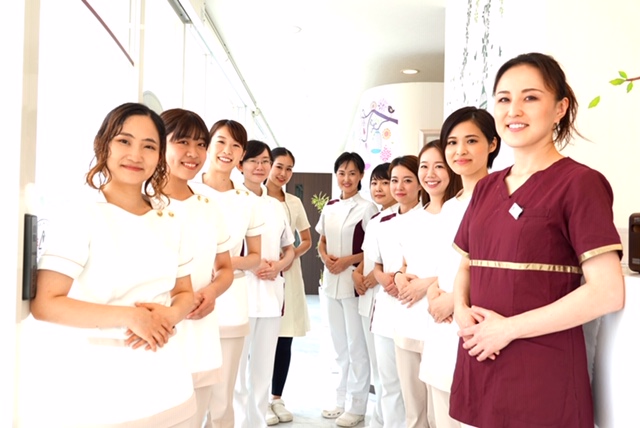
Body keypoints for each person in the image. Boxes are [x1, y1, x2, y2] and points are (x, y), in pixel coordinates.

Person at [449, 52, 625, 427]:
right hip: (480, 357)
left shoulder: (580, 184)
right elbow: (466, 264)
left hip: (541, 372)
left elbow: (607, 291)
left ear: (560, 108)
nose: (514, 110)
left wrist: (508, 329)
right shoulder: (486, 188)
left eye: (530, 97)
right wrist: (461, 309)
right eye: (504, 98)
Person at [26, 102, 196, 427]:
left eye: (149, 146)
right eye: (124, 141)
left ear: (159, 156)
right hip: (105, 388)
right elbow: (45, 304)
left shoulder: (170, 218)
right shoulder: (82, 214)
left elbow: (185, 292)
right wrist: (130, 317)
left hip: (170, 379)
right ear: (103, 144)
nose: (136, 154)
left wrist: (170, 315)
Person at [418, 106, 499, 428]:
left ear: (492, 144)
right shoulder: (451, 205)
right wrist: (434, 293)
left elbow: (497, 267)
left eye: (471, 141)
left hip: (474, 322)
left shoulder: (501, 198)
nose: (459, 151)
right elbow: (446, 262)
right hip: (440, 325)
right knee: (441, 411)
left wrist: (453, 300)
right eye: (452, 142)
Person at [159, 108, 235, 428]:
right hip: (157, 332)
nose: (193, 152)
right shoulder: (144, 205)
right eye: (182, 142)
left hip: (200, 328)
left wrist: (211, 292)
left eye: (201, 144)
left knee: (195, 416)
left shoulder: (208, 207)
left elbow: (225, 267)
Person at [200, 119, 264, 428]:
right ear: (208, 145)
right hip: (187, 299)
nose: (227, 150)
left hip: (231, 299)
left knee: (223, 394)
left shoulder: (247, 201)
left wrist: (224, 262)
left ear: (241, 155)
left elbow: (255, 257)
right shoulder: (187, 189)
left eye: (236, 145)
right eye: (221, 142)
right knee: (190, 389)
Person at [394, 141, 461, 428]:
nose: (430, 174)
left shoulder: (460, 212)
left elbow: (465, 266)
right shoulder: (412, 219)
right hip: (408, 318)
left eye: (438, 166)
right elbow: (404, 264)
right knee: (414, 413)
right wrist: (399, 277)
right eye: (424, 166)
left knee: (442, 413)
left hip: (442, 319)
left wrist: (425, 285)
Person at [234, 140, 295, 428]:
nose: (260, 167)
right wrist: (252, 264)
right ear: (240, 165)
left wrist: (279, 266)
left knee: (262, 369)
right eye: (253, 161)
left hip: (271, 295)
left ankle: (256, 423)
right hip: (239, 292)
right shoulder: (232, 200)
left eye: (265, 161)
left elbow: (289, 248)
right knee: (235, 373)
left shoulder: (276, 205)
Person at [316, 152, 377, 427]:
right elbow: (322, 240)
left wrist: (346, 261)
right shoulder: (330, 206)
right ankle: (339, 400)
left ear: (361, 175)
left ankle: (357, 405)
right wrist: (325, 256)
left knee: (357, 346)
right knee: (339, 346)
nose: (346, 178)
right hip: (331, 283)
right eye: (342, 173)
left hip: (354, 284)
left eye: (352, 173)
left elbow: (371, 249)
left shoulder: (367, 208)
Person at [371, 156, 429, 428]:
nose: (399, 187)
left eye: (407, 180)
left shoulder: (430, 218)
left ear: (420, 184)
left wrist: (403, 282)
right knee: (389, 383)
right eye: (394, 180)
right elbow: (376, 266)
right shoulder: (380, 222)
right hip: (386, 309)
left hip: (417, 306)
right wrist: (388, 281)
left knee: (416, 386)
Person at [264, 147, 313, 425]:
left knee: (285, 339)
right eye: (279, 166)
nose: (283, 173)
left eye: (289, 168)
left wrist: (289, 257)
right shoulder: (255, 199)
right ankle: (260, 398)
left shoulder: (294, 202)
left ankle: (276, 398)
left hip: (289, 275)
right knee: (261, 338)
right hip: (262, 274)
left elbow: (306, 240)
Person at [352, 162, 400, 428]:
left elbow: (388, 264)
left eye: (385, 182)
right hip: (368, 300)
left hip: (387, 297)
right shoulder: (375, 220)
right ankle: (378, 419)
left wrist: (372, 278)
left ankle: (382, 421)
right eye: (375, 183)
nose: (379, 188)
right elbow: (367, 256)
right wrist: (357, 275)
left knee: (389, 373)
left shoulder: (401, 218)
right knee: (377, 365)